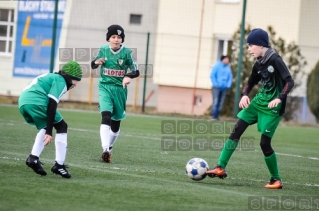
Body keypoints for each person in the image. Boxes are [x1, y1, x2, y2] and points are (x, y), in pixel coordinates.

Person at [206, 28, 295, 189]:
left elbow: (290, 82)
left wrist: (279, 98)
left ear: (261, 45)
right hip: (258, 102)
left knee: (264, 143)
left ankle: (276, 179)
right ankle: (220, 167)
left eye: (250, 45)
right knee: (236, 130)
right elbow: (250, 82)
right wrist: (245, 94)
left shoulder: (275, 60)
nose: (248, 49)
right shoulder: (258, 63)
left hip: (272, 107)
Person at [18, 61, 83, 178]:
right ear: (70, 77)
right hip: (36, 101)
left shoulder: (53, 76)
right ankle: (59, 165)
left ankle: (33, 158)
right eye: (76, 81)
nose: (75, 85)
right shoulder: (61, 81)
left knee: (48, 125)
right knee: (62, 126)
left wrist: (47, 128)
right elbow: (52, 105)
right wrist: (49, 131)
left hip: (23, 101)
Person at [91, 24, 140, 163]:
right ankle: (105, 148)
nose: (116, 39)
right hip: (105, 87)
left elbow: (136, 70)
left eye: (119, 37)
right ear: (108, 39)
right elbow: (93, 64)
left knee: (115, 124)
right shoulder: (103, 50)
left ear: (122, 39)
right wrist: (96, 62)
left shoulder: (128, 53)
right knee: (106, 116)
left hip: (120, 90)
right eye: (113, 37)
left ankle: (109, 147)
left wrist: (128, 76)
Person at [210, 55, 233, 120]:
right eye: (226, 59)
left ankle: (217, 116)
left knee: (221, 103)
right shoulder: (217, 66)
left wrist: (228, 85)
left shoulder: (228, 68)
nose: (227, 61)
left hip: (224, 88)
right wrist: (215, 84)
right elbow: (212, 75)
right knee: (215, 101)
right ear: (223, 59)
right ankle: (213, 116)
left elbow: (230, 77)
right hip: (217, 87)